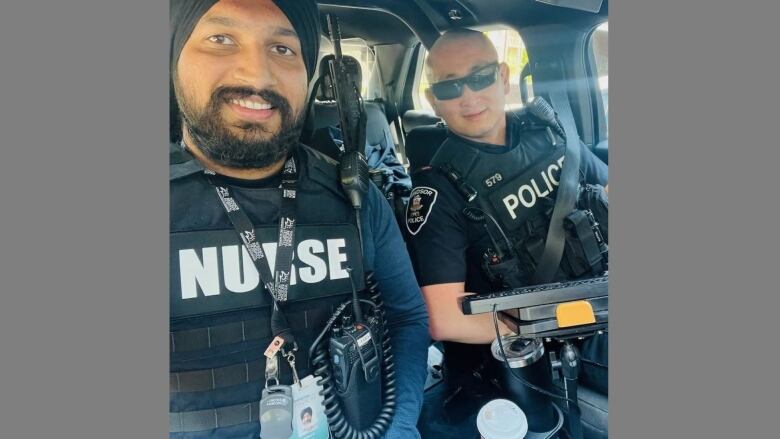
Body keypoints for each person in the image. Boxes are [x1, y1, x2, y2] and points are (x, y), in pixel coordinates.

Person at [168, 1, 429, 438]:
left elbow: (407, 319)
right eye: (221, 39)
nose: (256, 76)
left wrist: (399, 428)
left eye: (284, 49)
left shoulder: (354, 194)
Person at [405, 29, 608, 438]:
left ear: (503, 77)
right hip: (542, 345)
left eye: (479, 77)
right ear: (433, 101)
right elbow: (443, 319)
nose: (468, 96)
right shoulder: (437, 192)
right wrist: (558, 320)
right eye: (449, 86)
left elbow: (607, 191)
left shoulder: (550, 132)